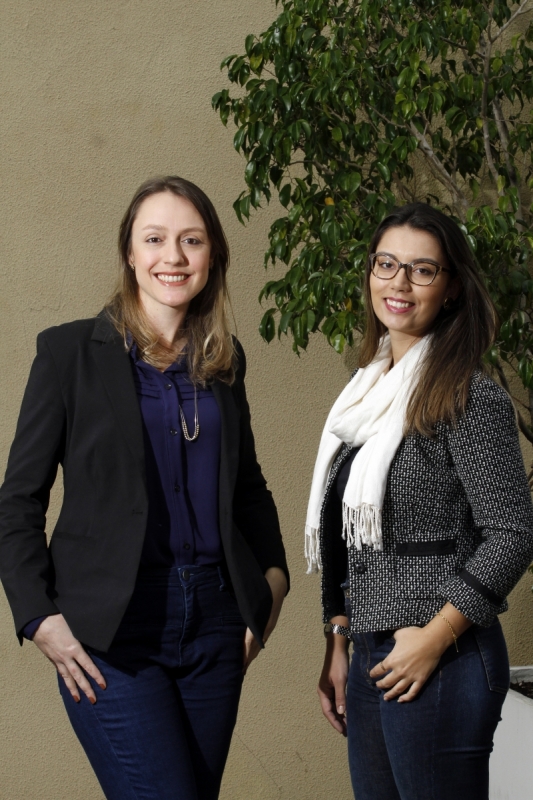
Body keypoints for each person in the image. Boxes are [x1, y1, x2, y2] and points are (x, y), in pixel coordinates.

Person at [0, 175, 289, 800]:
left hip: (215, 621)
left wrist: (272, 584)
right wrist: (37, 615)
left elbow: (249, 487)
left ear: (212, 257)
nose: (174, 257)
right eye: (155, 239)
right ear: (130, 253)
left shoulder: (225, 359)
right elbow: (19, 498)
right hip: (112, 629)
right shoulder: (67, 353)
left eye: (191, 240)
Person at [306, 202, 533, 800]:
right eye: (387, 264)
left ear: (452, 286)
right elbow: (343, 532)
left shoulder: (467, 395)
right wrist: (338, 636)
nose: (399, 283)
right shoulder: (363, 396)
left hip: (444, 659)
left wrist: (434, 638)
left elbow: (512, 533)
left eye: (422, 270)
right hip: (370, 656)